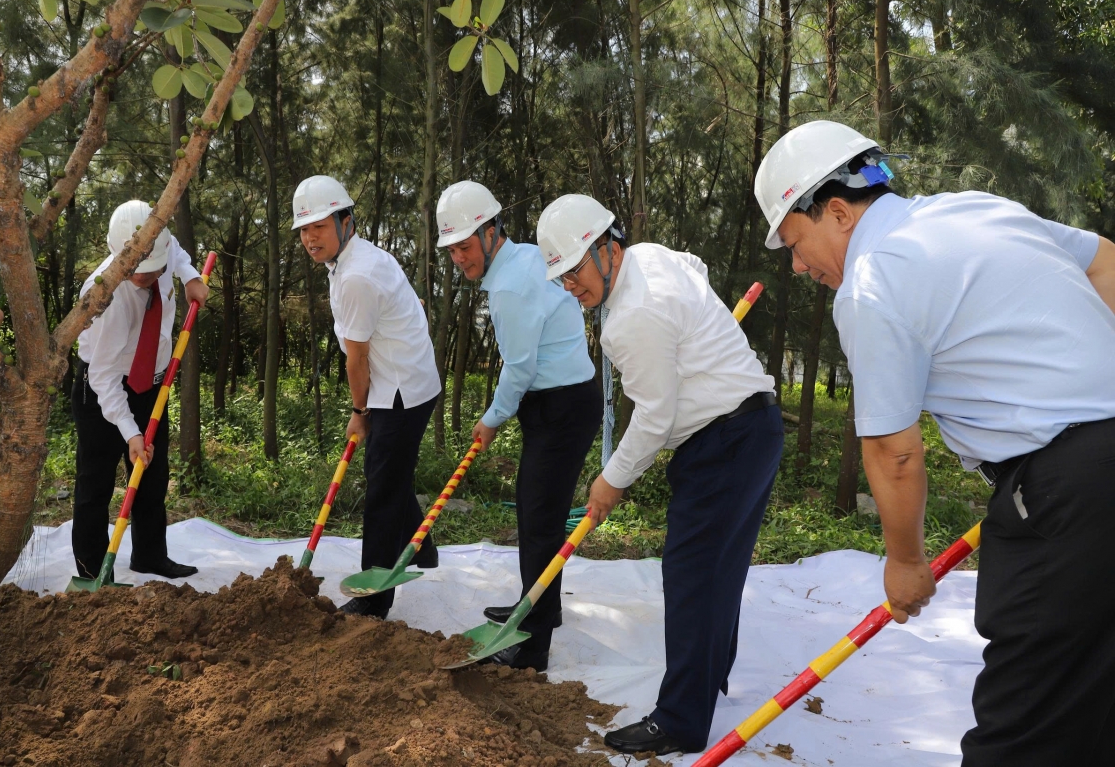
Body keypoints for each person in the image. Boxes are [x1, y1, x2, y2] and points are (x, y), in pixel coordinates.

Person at [755, 119, 1115, 765]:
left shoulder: (870, 282)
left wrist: (906, 565)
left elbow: (894, 452)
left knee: (1022, 731)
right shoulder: (974, 211)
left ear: (837, 211)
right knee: (1092, 704)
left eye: (796, 244)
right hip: (1091, 473)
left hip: (1067, 496)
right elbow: (1105, 262)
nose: (801, 267)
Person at [535, 195, 783, 755]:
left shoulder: (630, 317)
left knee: (692, 575)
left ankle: (680, 719)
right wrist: (699, 329)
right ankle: (711, 673)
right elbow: (694, 267)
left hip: (724, 441)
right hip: (752, 428)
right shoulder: (652, 257)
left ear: (606, 248)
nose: (570, 286)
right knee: (718, 570)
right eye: (561, 277)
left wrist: (611, 478)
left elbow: (654, 416)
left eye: (574, 270)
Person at [437, 181, 601, 671]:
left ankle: (533, 645)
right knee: (536, 518)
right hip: (561, 402)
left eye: (465, 246)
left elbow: (520, 368)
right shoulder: (528, 256)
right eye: (451, 250)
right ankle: (533, 608)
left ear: (491, 232)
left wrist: (490, 420)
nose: (458, 258)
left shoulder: (508, 286)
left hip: (561, 407)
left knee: (539, 522)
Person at [294, 175, 441, 619]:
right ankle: (423, 550)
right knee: (392, 473)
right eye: (304, 230)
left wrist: (360, 412)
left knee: (381, 489)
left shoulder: (357, 273)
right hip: (407, 379)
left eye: (319, 226)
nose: (310, 238)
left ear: (345, 220)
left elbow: (355, 362)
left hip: (398, 391)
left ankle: (373, 603)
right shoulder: (356, 260)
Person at [72, 200, 208, 582]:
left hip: (151, 384)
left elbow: (176, 248)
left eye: (151, 271)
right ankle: (91, 570)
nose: (142, 277)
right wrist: (131, 432)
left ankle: (149, 556)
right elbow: (103, 377)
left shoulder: (161, 249)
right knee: (95, 483)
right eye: (134, 270)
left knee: (152, 476)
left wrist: (190, 276)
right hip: (102, 390)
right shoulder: (105, 294)